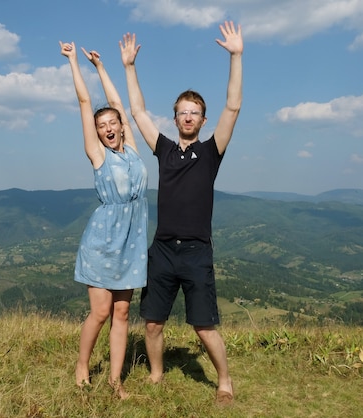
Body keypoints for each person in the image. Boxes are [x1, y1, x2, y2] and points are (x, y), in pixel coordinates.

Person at [120, 21, 243, 406]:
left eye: (194, 113)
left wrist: (236, 56)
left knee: (204, 326)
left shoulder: (211, 152)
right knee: (152, 322)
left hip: (196, 251)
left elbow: (233, 105)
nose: (188, 117)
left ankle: (224, 381)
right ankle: (157, 375)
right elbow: (137, 111)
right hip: (163, 249)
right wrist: (129, 67)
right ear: (174, 119)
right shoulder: (165, 150)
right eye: (182, 112)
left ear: (203, 121)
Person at [59, 40, 149, 399]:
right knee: (99, 312)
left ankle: (115, 382)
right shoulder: (98, 156)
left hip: (132, 241)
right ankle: (82, 365)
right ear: (96, 133)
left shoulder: (133, 151)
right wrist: (73, 62)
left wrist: (102, 68)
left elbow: (123, 109)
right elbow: (85, 103)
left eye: (112, 123)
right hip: (102, 242)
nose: (109, 127)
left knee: (123, 313)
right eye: (102, 125)